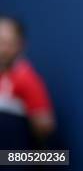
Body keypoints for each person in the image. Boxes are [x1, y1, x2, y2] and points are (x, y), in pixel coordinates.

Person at [0, 15, 55, 149]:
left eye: (8, 43)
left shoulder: (26, 79)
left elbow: (45, 126)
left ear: (20, 45)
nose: (2, 49)